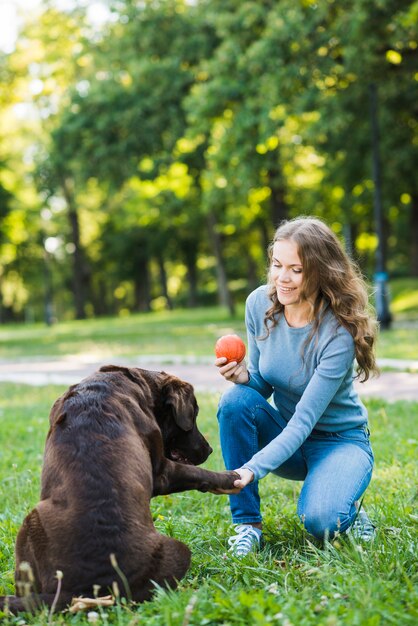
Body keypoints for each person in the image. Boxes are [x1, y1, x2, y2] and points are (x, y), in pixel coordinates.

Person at [215, 216, 378, 556]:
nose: (282, 278)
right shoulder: (259, 304)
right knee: (235, 402)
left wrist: (250, 469)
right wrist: (244, 378)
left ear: (320, 272)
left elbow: (304, 420)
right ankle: (247, 526)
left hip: (339, 443)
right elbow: (261, 383)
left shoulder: (337, 333)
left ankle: (349, 512)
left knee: (321, 521)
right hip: (289, 439)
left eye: (296, 270)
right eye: (277, 265)